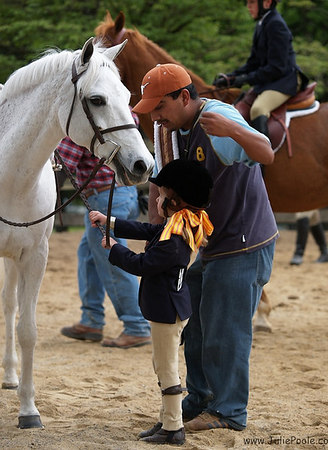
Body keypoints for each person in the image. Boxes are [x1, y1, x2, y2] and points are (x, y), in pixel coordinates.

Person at [131, 63, 278, 432]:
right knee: (192, 322)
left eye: (160, 107)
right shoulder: (175, 129)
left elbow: (267, 153)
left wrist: (234, 128)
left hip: (243, 241)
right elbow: (160, 177)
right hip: (211, 242)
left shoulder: (217, 121)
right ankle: (200, 397)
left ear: (184, 96)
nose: (157, 117)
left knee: (225, 330)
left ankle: (229, 413)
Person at [90, 159, 214, 445]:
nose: (156, 198)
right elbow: (145, 231)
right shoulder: (174, 226)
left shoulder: (174, 240)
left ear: (175, 201)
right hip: (168, 308)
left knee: (167, 367)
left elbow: (142, 264)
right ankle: (167, 420)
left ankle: (173, 428)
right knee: (162, 364)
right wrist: (108, 221)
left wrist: (114, 248)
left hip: (166, 311)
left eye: (161, 194)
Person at [57, 133, 151, 349]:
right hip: (124, 193)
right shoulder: (124, 117)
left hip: (103, 198)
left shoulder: (78, 131)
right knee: (89, 255)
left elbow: (63, 166)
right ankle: (92, 320)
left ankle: (137, 326)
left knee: (112, 261)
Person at [213, 0, 308, 137]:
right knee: (238, 105)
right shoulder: (262, 24)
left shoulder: (276, 24)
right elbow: (253, 63)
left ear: (267, 2)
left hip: (285, 80)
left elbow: (277, 68)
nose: (248, 7)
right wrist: (232, 78)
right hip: (272, 79)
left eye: (251, 2)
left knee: (258, 109)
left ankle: (264, 156)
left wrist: (245, 79)